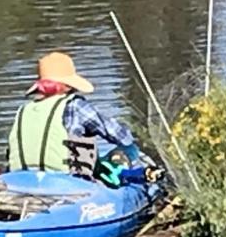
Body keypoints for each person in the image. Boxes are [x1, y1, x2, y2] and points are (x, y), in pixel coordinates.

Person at [7, 51, 137, 174]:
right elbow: (120, 136)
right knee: (130, 149)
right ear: (68, 84)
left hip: (20, 180)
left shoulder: (23, 110)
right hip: (67, 182)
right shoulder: (75, 106)